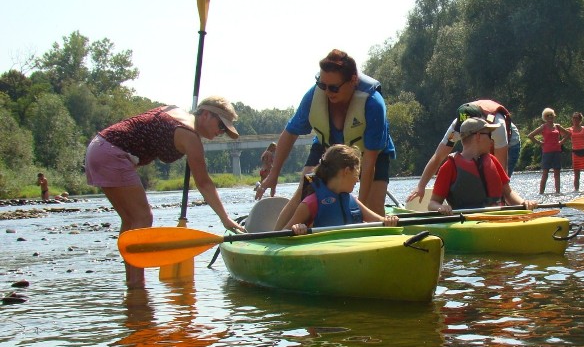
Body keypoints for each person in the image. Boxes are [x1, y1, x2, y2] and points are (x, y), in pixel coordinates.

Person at [84, 96, 246, 288]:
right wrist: (225, 218)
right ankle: (137, 285)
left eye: (225, 130)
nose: (221, 132)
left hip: (99, 147)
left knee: (131, 220)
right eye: (220, 125)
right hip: (112, 153)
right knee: (142, 218)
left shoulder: (176, 111)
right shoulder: (190, 137)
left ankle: (133, 283)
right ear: (205, 115)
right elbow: (204, 183)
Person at [254, 49, 395, 229]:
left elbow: (369, 163)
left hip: (369, 155)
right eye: (323, 85)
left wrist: (358, 208)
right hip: (326, 150)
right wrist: (273, 174)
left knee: (372, 210)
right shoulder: (314, 96)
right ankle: (275, 238)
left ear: (353, 80)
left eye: (334, 87)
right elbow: (289, 134)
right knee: (303, 193)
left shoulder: (373, 103)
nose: (327, 92)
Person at [407, 99, 521, 204]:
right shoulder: (457, 128)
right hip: (481, 135)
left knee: (495, 182)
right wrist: (421, 186)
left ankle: (500, 207)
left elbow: (502, 170)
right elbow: (438, 156)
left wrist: (507, 199)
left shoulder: (497, 127)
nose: (465, 133)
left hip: (509, 141)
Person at [428, 118, 537, 215]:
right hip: (466, 222)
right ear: (478, 136)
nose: (491, 141)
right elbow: (432, 203)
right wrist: (440, 207)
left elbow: (508, 193)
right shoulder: (449, 167)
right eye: (489, 135)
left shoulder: (493, 160)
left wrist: (523, 203)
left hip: (498, 219)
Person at [285, 145, 399, 235]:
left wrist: (390, 221)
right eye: (357, 174)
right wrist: (296, 229)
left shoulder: (353, 201)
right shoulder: (310, 203)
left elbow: (379, 221)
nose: (357, 181)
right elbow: (282, 233)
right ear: (347, 171)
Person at [527, 108, 570, 194]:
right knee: (545, 173)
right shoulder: (543, 127)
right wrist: (540, 143)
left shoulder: (557, 126)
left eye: (551, 115)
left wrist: (561, 142)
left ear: (554, 116)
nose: (550, 117)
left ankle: (558, 192)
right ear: (545, 117)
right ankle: (541, 193)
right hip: (547, 152)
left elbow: (568, 134)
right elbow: (530, 135)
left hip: (557, 151)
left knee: (557, 173)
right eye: (548, 115)